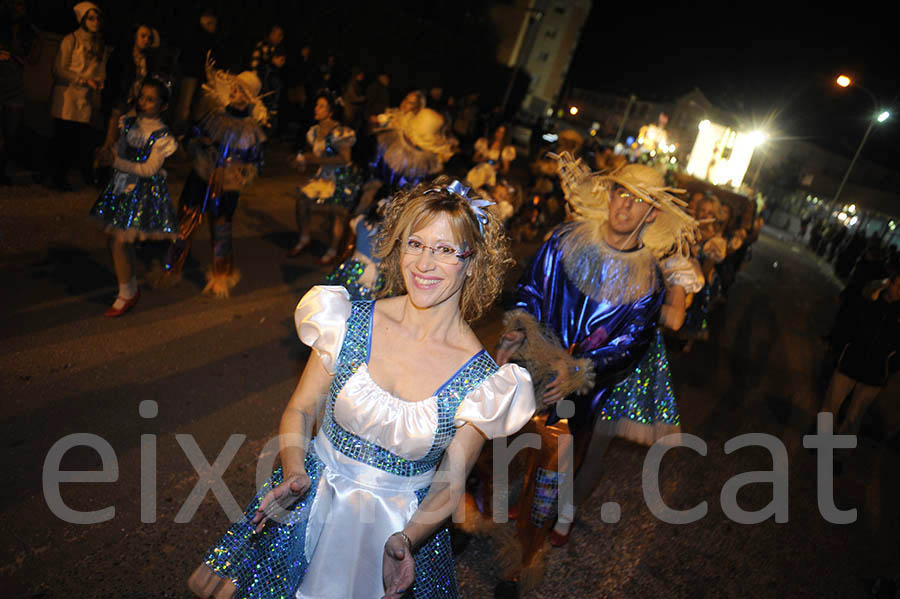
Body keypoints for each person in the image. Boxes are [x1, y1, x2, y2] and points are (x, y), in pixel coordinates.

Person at [186, 176, 536, 599]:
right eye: (416, 244)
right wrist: (295, 471)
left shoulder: (484, 381)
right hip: (310, 509)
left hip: (396, 533)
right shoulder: (347, 319)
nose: (425, 264)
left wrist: (407, 540)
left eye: (445, 250)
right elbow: (300, 410)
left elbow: (450, 482)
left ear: (472, 260)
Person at [490, 155, 689, 597]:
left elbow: (630, 345)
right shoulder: (564, 240)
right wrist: (521, 330)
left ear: (652, 213)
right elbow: (532, 288)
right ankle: (481, 515)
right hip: (531, 364)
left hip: (581, 389)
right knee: (497, 444)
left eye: (638, 201)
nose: (625, 206)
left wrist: (579, 370)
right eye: (621, 193)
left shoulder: (650, 280)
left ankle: (523, 558)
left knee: (554, 463)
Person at [150, 56, 267, 297]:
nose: (236, 93)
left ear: (249, 97)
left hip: (227, 184)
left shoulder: (250, 128)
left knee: (222, 227)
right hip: (202, 176)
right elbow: (193, 138)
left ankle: (221, 276)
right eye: (235, 88)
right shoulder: (215, 116)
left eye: (242, 91)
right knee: (186, 221)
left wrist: (239, 170)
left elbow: (255, 161)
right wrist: (200, 142)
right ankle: (170, 269)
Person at [89, 75, 177, 316]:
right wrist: (109, 153)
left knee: (118, 240)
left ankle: (126, 293)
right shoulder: (128, 123)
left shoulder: (162, 137)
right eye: (142, 97)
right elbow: (121, 148)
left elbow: (149, 169)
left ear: (163, 106)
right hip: (121, 187)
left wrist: (117, 161)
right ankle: (129, 285)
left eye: (151, 100)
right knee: (116, 241)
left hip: (141, 194)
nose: (144, 102)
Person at [821, 273, 900, 440]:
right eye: (898, 286)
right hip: (850, 362)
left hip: (875, 374)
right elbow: (847, 322)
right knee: (831, 406)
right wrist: (838, 346)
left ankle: (840, 454)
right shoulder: (868, 299)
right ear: (890, 283)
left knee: (854, 417)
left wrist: (889, 367)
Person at [288, 89, 361, 265]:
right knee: (302, 202)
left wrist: (315, 159)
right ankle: (305, 238)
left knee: (338, 213)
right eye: (316, 105)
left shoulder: (340, 132)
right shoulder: (313, 131)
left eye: (321, 106)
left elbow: (345, 159)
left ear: (330, 111)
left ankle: (333, 249)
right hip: (324, 175)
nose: (316, 109)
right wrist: (301, 161)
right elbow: (311, 155)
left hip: (341, 177)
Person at [48, 1, 110, 191]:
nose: (96, 21)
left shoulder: (99, 44)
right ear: (82, 20)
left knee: (83, 139)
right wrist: (82, 80)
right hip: (67, 98)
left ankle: (85, 175)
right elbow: (59, 69)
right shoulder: (70, 40)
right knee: (63, 139)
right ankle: (57, 178)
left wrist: (99, 80)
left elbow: (100, 69)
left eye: (97, 17)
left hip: (85, 99)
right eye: (91, 18)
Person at [99, 23, 160, 168]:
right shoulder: (122, 55)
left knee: (125, 141)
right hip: (120, 101)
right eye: (143, 36)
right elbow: (114, 79)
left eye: (149, 38)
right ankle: (99, 169)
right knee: (110, 139)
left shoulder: (148, 60)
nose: (146, 40)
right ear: (135, 37)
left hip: (135, 104)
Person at [173, 9, 220, 135]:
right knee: (185, 106)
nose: (215, 28)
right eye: (214, 25)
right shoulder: (199, 38)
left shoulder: (196, 36)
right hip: (191, 74)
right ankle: (180, 134)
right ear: (208, 23)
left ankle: (186, 133)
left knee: (191, 106)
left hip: (194, 74)